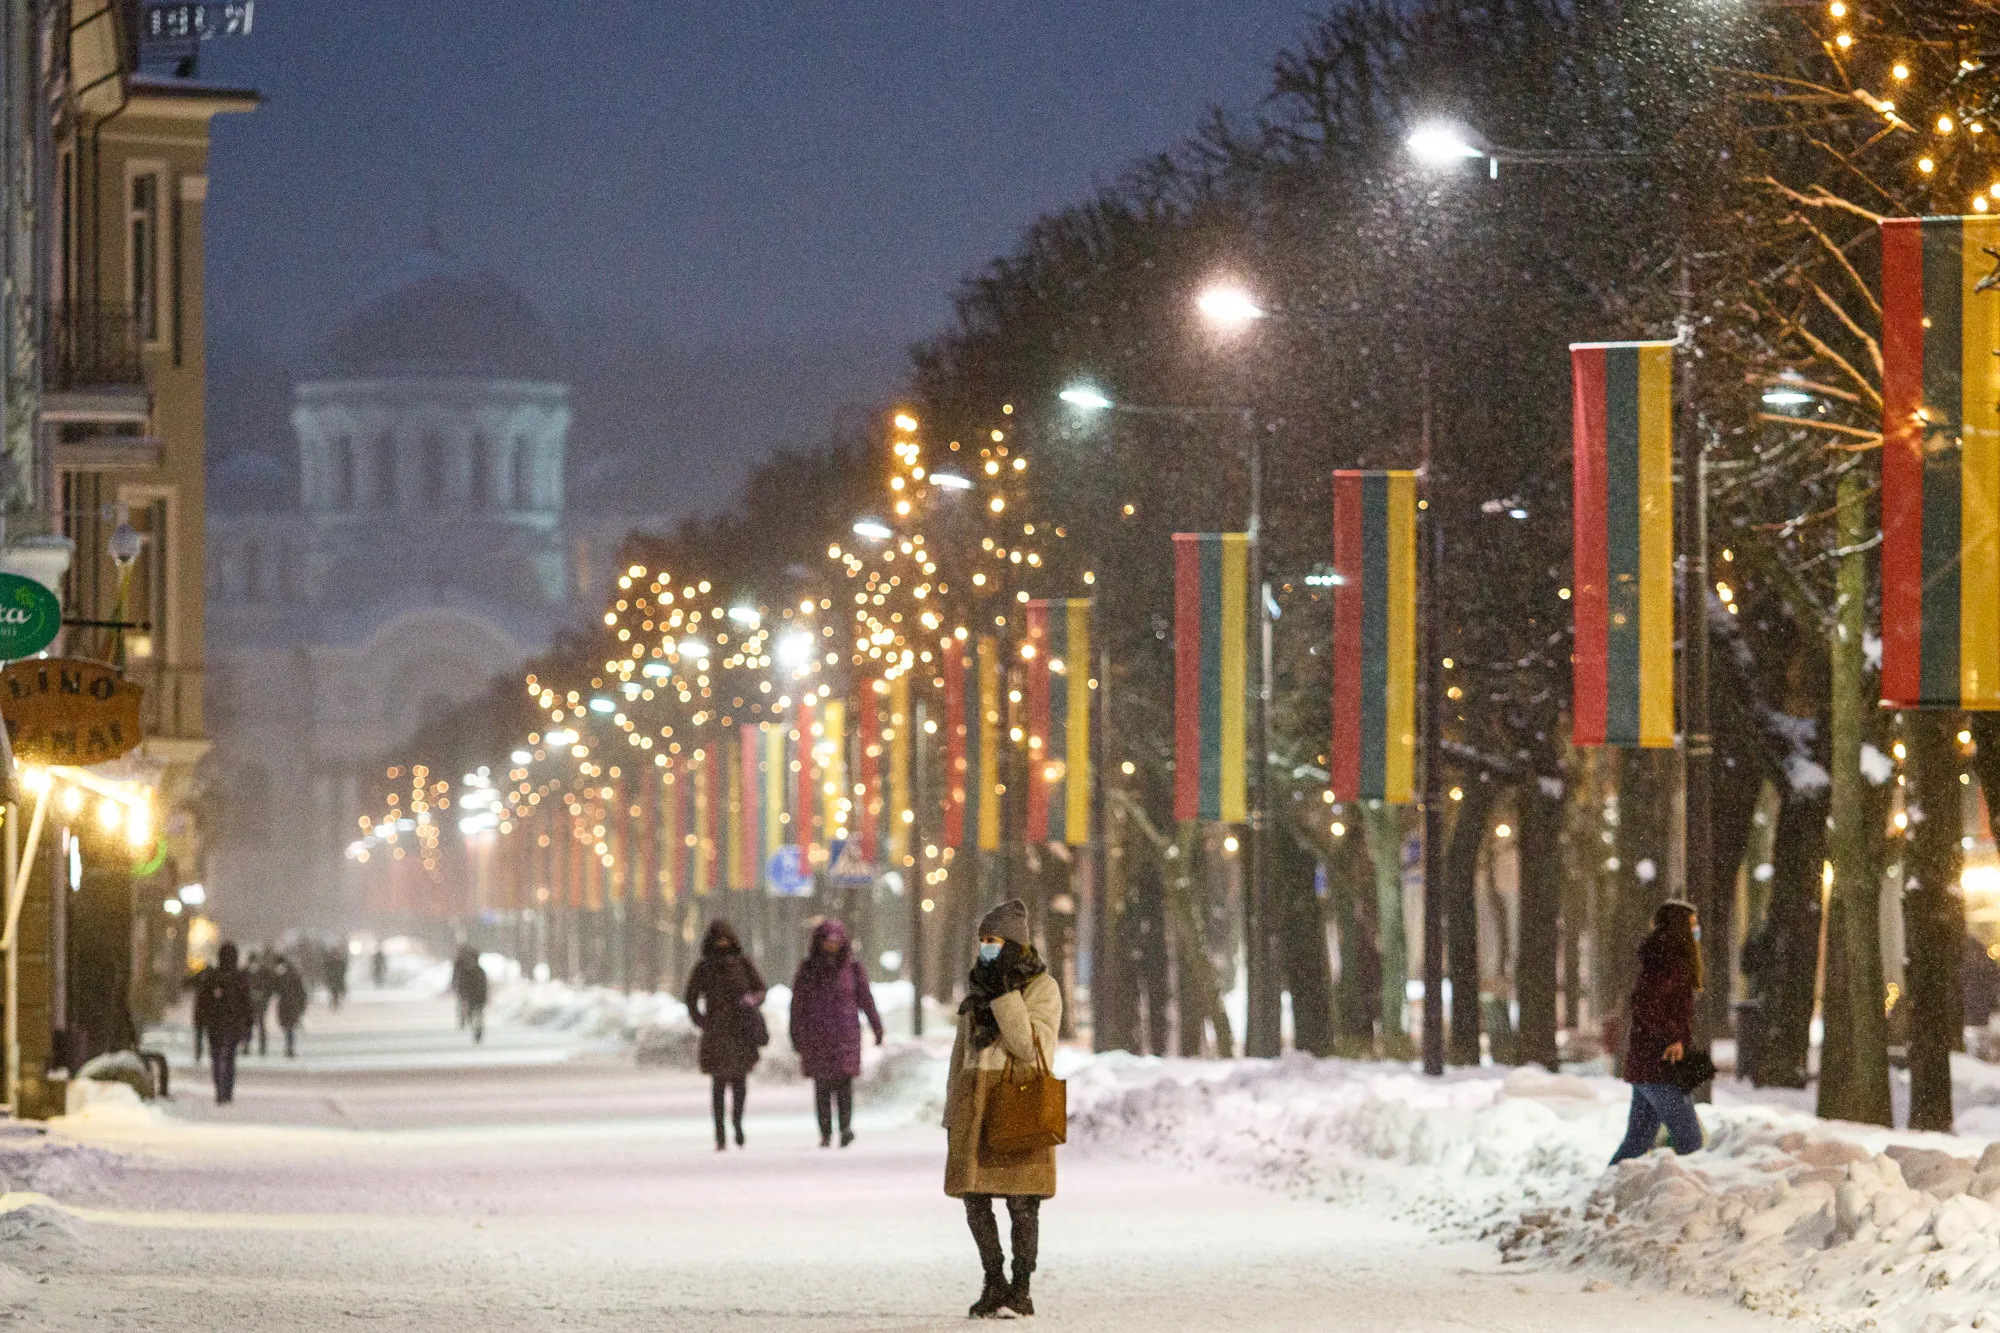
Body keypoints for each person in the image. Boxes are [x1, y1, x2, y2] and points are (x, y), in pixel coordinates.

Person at [945, 899, 1062, 1319]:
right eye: (982, 941)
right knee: (973, 1197)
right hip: (977, 1101)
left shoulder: (1042, 988)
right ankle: (993, 1280)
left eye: (993, 940)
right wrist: (951, 1110)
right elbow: (961, 1054)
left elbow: (1029, 1048)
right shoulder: (978, 985)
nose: (986, 949)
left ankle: (1021, 1286)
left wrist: (1004, 996)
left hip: (1018, 1100)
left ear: (1013, 944)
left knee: (1021, 1201)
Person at [1610, 900, 1705, 1165]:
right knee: (1690, 1141)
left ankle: (1603, 1190)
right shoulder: (1668, 961)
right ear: (1680, 928)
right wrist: (1673, 1037)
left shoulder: (1664, 959)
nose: (1697, 930)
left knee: (1637, 1141)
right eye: (1693, 925)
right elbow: (1647, 1005)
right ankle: (1692, 1202)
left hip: (1650, 1064)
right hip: (1660, 1065)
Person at [789, 917, 884, 1148]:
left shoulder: (853, 968)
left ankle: (845, 1128)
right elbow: (798, 1004)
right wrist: (796, 1034)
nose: (831, 946)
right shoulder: (808, 969)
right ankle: (825, 1132)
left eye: (835, 942)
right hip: (817, 1036)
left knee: (844, 1084)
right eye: (827, 942)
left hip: (845, 1035)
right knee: (822, 1086)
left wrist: (876, 1026)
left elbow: (865, 999)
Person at [683, 920, 766, 1151]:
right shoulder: (704, 968)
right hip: (717, 1033)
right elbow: (690, 998)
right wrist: (702, 1021)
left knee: (739, 1083)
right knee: (718, 1085)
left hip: (740, 1032)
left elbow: (760, 989)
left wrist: (752, 1001)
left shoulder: (744, 964)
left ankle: (737, 1123)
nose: (722, 944)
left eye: (725, 939)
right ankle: (720, 1135)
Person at [192, 942, 255, 1104]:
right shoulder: (239, 978)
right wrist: (248, 1026)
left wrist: (200, 1023)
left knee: (217, 1057)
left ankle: (220, 1089)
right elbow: (247, 1005)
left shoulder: (212, 977)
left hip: (215, 1024)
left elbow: (202, 1002)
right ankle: (227, 1089)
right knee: (230, 1058)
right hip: (232, 1024)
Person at [272, 955, 308, 1058]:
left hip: (291, 1005)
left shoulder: (291, 974)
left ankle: (290, 1048)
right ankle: (289, 1048)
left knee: (290, 1027)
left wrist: (301, 1005)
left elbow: (300, 991)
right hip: (284, 1005)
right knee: (287, 1027)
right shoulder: (279, 975)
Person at [451, 945, 489, 1043]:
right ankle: (471, 1024)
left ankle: (477, 1030)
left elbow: (484, 986)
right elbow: (461, 985)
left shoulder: (479, 972)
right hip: (470, 998)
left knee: (477, 1016)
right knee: (472, 1015)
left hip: (476, 998)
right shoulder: (466, 971)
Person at [323, 940, 349, 1009]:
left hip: (339, 979)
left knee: (340, 992)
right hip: (333, 979)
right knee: (334, 992)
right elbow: (327, 970)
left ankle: (336, 1003)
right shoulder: (330, 962)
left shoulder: (341, 962)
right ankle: (334, 1003)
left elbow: (344, 969)